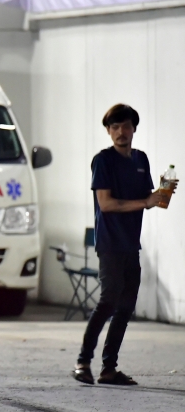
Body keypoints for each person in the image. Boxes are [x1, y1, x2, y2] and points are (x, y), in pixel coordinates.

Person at [73, 104, 177, 386]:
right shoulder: (103, 161)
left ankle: (109, 368)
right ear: (108, 131)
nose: (121, 132)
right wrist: (146, 201)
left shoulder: (140, 159)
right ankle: (83, 362)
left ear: (134, 129)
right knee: (108, 301)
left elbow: (147, 199)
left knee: (126, 307)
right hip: (110, 244)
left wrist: (160, 195)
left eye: (126, 126)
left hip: (131, 244)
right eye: (115, 127)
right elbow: (105, 204)